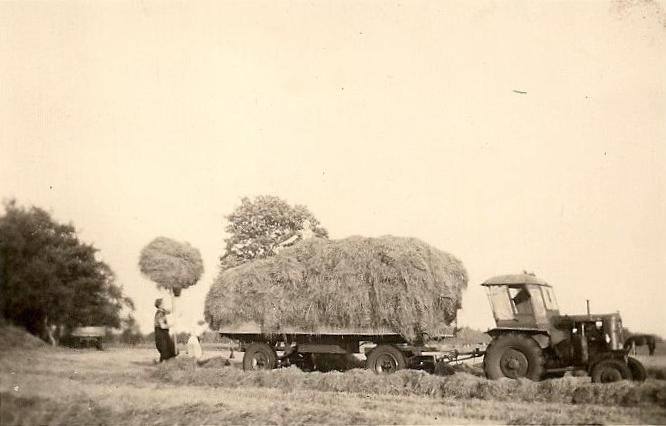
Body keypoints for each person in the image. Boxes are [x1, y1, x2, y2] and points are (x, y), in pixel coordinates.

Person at [154, 298, 175, 362]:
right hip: (161, 334)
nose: (164, 304)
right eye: (163, 303)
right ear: (160, 305)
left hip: (164, 333)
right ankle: (162, 364)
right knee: (165, 350)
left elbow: (170, 311)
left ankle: (163, 363)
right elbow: (163, 326)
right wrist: (172, 325)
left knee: (171, 348)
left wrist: (174, 301)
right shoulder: (160, 314)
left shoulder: (162, 311)